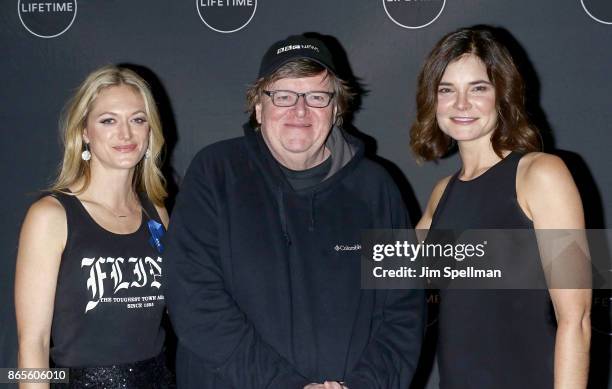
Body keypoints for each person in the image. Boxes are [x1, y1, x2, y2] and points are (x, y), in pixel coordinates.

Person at [165, 35, 425, 389]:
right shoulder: (216, 173)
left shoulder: (375, 188)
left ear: (337, 108)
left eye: (317, 97)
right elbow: (194, 299)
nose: (300, 111)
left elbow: (402, 311)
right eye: (283, 96)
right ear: (259, 106)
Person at [410, 27, 591, 389]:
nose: (462, 104)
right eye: (447, 90)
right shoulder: (442, 193)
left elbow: (577, 318)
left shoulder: (541, 174)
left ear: (503, 94)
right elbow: (388, 275)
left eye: (479, 88)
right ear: (434, 100)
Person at [15, 65, 174, 388]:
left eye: (137, 119)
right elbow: (33, 342)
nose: (126, 134)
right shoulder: (51, 216)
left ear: (150, 130)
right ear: (85, 132)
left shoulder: (157, 212)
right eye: (108, 120)